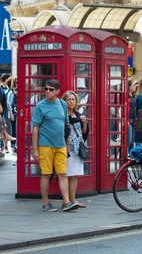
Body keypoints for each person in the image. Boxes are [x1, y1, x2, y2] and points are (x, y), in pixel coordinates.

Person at [31, 79, 80, 212]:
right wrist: (35, 149)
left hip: (61, 145)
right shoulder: (41, 106)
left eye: (50, 90)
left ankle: (66, 202)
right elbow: (35, 128)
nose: (47, 91)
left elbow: (66, 125)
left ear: (57, 91)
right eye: (46, 89)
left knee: (62, 173)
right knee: (46, 174)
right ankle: (46, 203)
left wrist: (67, 144)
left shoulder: (62, 104)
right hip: (45, 145)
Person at [62, 90, 87, 209]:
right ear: (64, 101)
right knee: (66, 175)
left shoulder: (77, 115)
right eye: (68, 100)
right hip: (68, 148)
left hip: (78, 148)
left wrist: (85, 123)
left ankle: (73, 200)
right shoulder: (63, 115)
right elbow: (63, 132)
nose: (71, 102)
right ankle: (66, 201)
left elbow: (84, 133)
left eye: (73, 99)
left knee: (74, 175)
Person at [127, 78, 139, 149]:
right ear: (128, 86)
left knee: (132, 141)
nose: (135, 86)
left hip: (133, 119)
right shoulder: (125, 96)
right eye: (134, 85)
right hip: (128, 119)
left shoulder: (134, 95)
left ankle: (130, 156)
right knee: (128, 140)